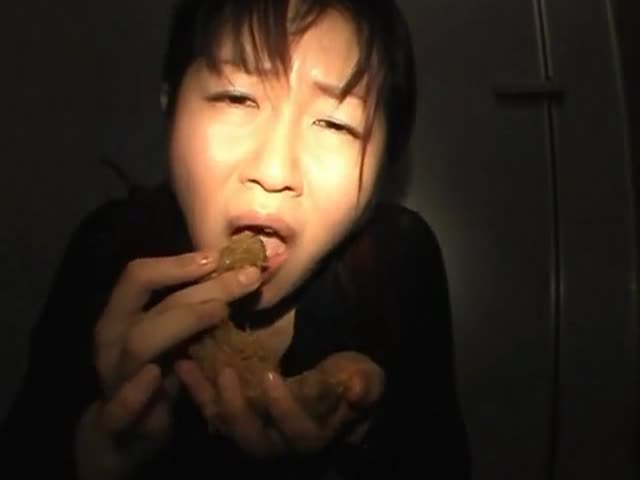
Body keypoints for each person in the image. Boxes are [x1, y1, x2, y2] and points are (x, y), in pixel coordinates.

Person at [0, 0, 471, 478]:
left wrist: (367, 436)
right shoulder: (106, 251)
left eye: (334, 123)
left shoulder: (400, 263)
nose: (274, 171)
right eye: (236, 98)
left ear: (386, 163)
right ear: (170, 103)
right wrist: (94, 455)